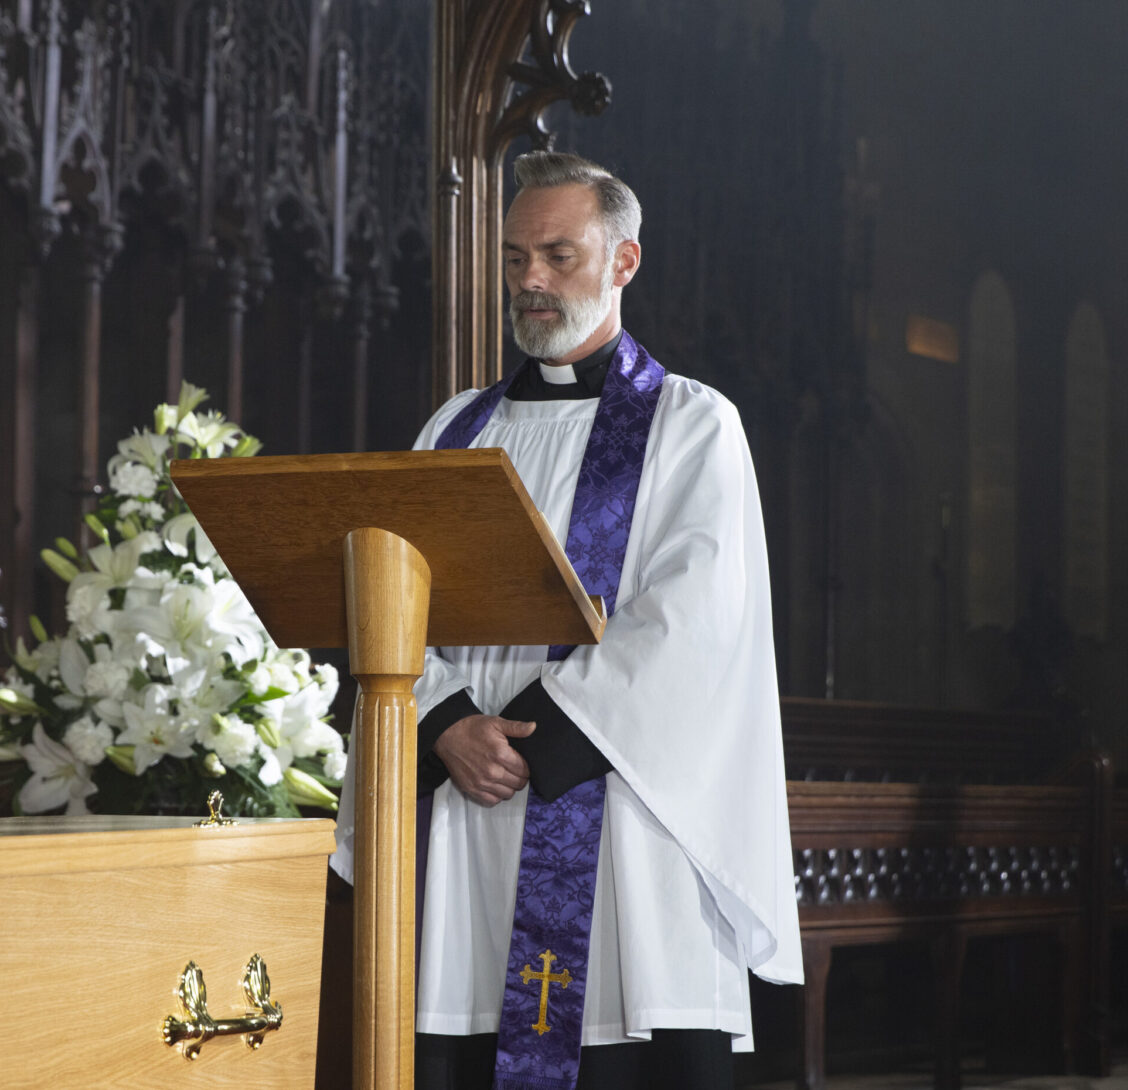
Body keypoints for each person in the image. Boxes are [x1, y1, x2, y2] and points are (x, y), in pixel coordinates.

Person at [331, 150, 800, 1090]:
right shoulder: (455, 428)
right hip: (461, 822)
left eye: (557, 255)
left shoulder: (690, 425)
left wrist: (529, 744)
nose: (531, 282)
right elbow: (390, 605)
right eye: (514, 260)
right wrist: (443, 725)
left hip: (620, 828)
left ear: (623, 262)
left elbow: (694, 624)